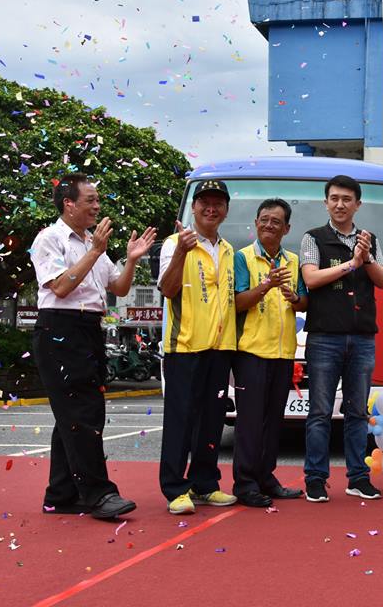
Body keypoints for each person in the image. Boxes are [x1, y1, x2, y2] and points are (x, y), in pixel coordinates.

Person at [30, 172, 155, 519]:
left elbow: (118, 288)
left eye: (98, 200)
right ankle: (98, 494)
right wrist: (96, 250)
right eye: (90, 201)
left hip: (90, 328)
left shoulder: (93, 246)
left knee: (78, 413)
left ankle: (61, 493)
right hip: (60, 327)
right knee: (80, 414)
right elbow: (60, 287)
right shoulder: (50, 239)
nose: (97, 207)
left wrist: (131, 259)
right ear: (68, 203)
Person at [300, 175, 383, 503]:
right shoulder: (313, 238)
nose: (340, 204)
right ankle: (315, 478)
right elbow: (310, 278)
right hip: (324, 337)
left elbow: (382, 281)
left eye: (346, 199)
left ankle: (358, 478)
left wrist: (364, 258)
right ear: (326, 203)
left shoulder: (369, 239)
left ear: (357, 204)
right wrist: (350, 263)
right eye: (334, 198)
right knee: (320, 412)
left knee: (356, 412)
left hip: (362, 337)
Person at [157, 179, 238, 515]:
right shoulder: (175, 243)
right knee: (181, 421)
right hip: (185, 348)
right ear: (193, 207)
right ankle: (175, 488)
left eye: (218, 202)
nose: (211, 208)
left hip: (220, 348)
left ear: (225, 209)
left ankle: (205, 483)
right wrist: (181, 252)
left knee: (211, 421)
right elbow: (167, 288)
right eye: (204, 201)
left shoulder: (229, 249)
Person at [231, 198, 309, 508]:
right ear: (255, 223)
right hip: (251, 350)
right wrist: (266, 286)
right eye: (263, 219)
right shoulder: (243, 258)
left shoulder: (293, 261)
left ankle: (266, 477)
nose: (268, 225)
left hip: (283, 351)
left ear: (286, 228)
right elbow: (237, 301)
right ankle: (245, 484)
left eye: (275, 221)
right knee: (249, 421)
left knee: (273, 420)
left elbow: (304, 302)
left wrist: (294, 298)